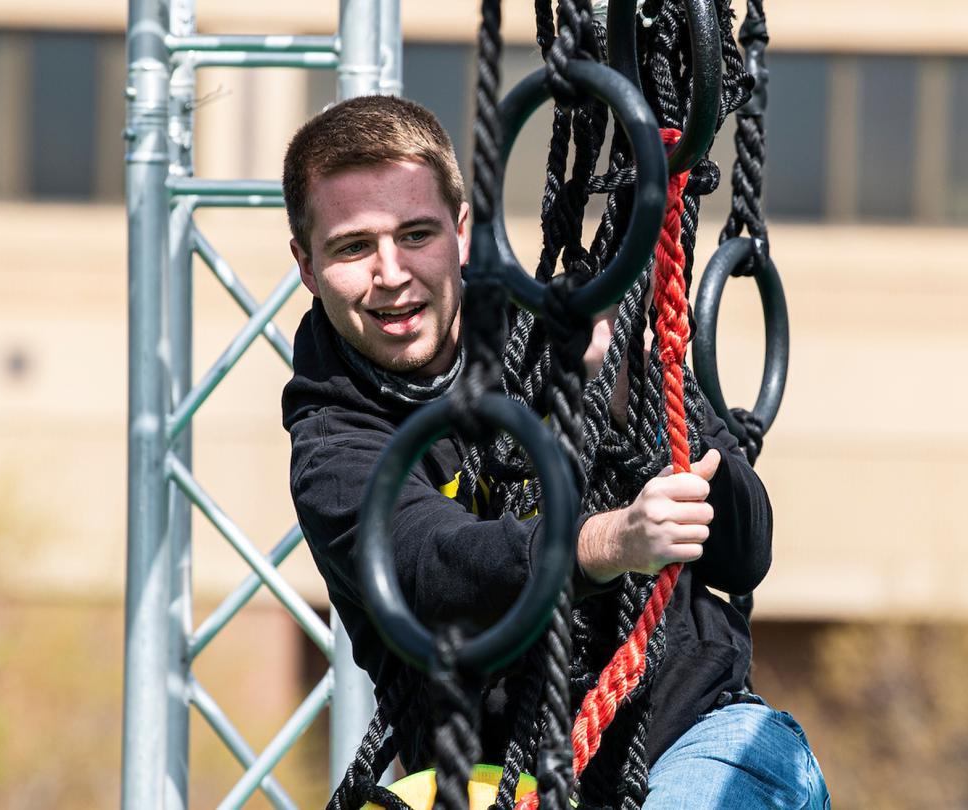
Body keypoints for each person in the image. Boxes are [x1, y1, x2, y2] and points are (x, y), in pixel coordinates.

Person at [279, 95, 830, 809]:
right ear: (306, 264)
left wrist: (631, 398)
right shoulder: (334, 440)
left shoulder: (560, 329)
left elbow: (745, 549)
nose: (391, 273)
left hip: (692, 738)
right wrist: (610, 541)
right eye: (354, 247)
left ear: (464, 233)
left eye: (416, 234)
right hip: (499, 787)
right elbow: (431, 568)